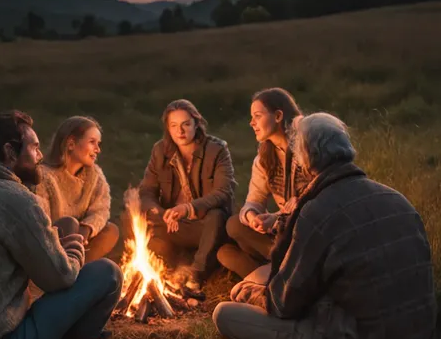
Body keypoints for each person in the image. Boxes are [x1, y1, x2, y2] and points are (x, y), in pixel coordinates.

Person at [213, 113, 437, 339]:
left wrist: (249, 292)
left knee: (225, 313)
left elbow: (284, 303)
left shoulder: (317, 211)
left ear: (306, 159)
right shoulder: (396, 198)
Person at [0, 111, 144, 339]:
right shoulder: (18, 200)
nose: (39, 156)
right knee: (107, 273)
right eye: (34, 147)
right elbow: (60, 278)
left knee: (67, 230)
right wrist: (73, 249)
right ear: (9, 151)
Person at [138, 99, 236, 295]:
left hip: (204, 225)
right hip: (172, 225)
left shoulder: (216, 149)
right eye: (174, 125)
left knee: (217, 215)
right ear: (167, 127)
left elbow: (224, 191)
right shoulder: (160, 151)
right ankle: (168, 273)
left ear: (196, 124)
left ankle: (195, 275)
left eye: (186, 124)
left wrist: (187, 208)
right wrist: (162, 213)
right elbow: (147, 191)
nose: (180, 131)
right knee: (135, 218)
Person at [218, 88, 310, 279]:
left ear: (278, 116)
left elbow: (315, 201)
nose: (252, 123)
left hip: (305, 231)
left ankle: (273, 275)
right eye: (252, 117)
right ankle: (274, 274)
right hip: (280, 233)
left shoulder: (307, 150)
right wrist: (252, 216)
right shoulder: (264, 158)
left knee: (236, 252)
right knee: (230, 237)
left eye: (258, 116)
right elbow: (254, 200)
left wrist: (276, 218)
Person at [36, 116, 119, 263]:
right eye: (92, 142)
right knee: (69, 224)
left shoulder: (95, 176)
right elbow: (40, 220)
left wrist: (86, 230)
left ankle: (77, 269)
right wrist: (70, 234)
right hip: (52, 242)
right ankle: (62, 270)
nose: (98, 149)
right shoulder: (43, 176)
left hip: (81, 241)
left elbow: (101, 210)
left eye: (98, 144)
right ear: (71, 144)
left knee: (111, 231)